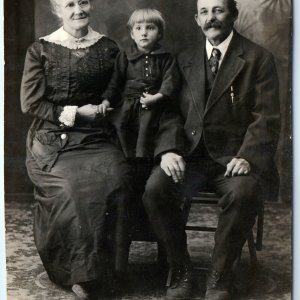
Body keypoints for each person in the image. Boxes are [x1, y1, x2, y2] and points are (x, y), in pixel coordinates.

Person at [162, 0, 281, 299]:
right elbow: (169, 112)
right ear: (195, 18)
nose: (211, 18)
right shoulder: (184, 58)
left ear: (234, 14)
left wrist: (247, 156)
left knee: (242, 193)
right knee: (154, 189)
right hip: (189, 158)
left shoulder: (258, 58)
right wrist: (169, 150)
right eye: (204, 12)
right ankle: (181, 269)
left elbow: (266, 117)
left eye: (218, 10)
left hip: (234, 160)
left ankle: (220, 277)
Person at [20, 0, 133, 298]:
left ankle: (110, 270)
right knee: (71, 188)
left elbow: (118, 89)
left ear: (91, 5)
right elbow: (30, 103)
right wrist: (76, 113)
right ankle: (79, 273)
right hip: (53, 137)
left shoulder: (108, 48)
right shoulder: (40, 49)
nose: (77, 10)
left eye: (83, 2)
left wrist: (108, 103)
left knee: (118, 179)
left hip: (97, 135)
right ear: (58, 11)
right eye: (69, 4)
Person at [98, 8, 192, 300]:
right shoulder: (125, 57)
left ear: (159, 33)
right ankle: (115, 269)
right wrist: (104, 101)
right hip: (129, 111)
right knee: (121, 173)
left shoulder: (167, 58)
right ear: (131, 32)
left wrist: (158, 97)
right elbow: (115, 84)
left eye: (150, 28)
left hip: (156, 109)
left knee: (153, 143)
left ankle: (172, 263)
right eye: (138, 28)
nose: (143, 33)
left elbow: (170, 84)